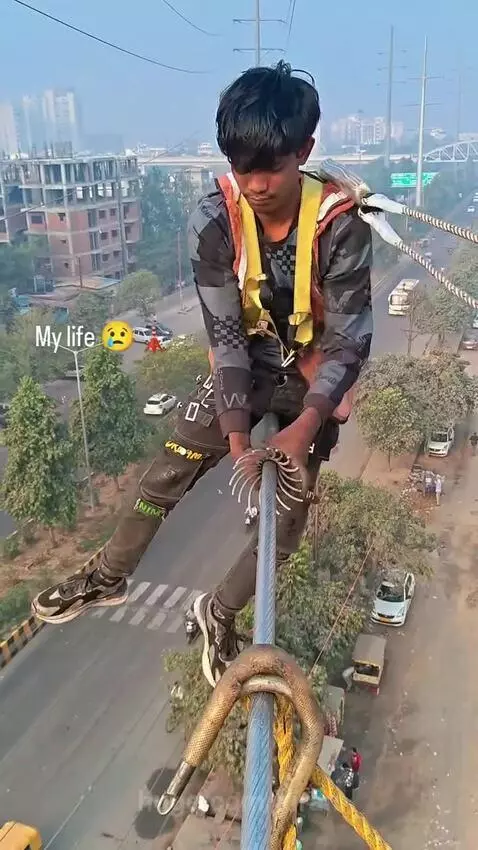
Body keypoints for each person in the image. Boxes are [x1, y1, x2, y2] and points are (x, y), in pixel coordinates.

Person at [31, 62, 373, 689]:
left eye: (271, 168)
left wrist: (304, 427)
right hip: (248, 362)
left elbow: (350, 339)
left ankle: (220, 611)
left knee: (286, 523)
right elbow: (226, 337)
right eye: (243, 168)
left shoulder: (340, 226)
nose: (256, 185)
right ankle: (108, 575)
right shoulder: (215, 218)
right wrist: (239, 440)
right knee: (170, 468)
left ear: (304, 151)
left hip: (313, 372)